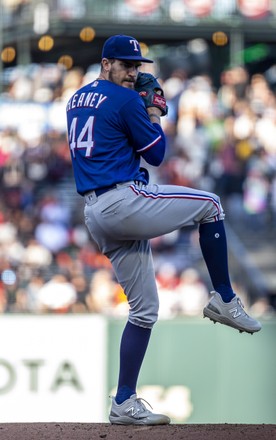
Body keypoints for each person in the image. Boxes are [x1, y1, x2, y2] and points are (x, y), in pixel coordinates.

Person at [66, 34, 261, 425]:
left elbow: (110, 130)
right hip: (121, 200)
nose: (133, 72)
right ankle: (224, 297)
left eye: (137, 66)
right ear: (106, 63)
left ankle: (123, 400)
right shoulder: (124, 99)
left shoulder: (76, 98)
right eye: (125, 65)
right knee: (211, 205)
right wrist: (153, 110)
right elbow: (156, 153)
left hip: (96, 210)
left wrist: (138, 104)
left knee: (144, 311)